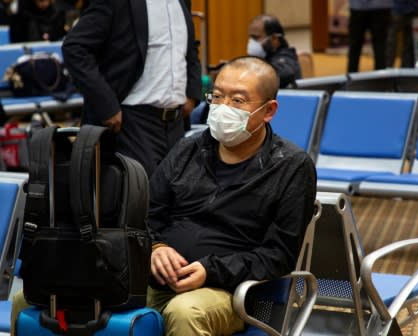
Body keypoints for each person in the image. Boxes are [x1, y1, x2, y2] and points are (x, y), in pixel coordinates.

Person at [146, 56, 317, 335]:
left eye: (237, 101)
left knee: (185, 312)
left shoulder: (291, 166)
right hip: (159, 277)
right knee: (92, 293)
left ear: (268, 110)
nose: (222, 107)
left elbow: (278, 255)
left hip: (234, 293)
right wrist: (155, 248)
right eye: (217, 96)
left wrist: (210, 270)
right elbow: (145, 214)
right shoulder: (188, 150)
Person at [62, 0, 202, 177]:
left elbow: (188, 48)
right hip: (132, 121)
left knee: (177, 197)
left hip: (176, 123)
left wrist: (192, 93)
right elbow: (75, 48)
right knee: (144, 198)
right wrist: (106, 104)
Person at [247, 14, 301, 88]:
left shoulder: (286, 57)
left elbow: (286, 73)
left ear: (274, 39)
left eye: (256, 37)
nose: (252, 42)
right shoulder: (266, 56)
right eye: (251, 37)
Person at [347, 0, 394, 72]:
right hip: (380, 6)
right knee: (380, 45)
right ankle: (381, 78)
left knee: (355, 46)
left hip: (361, 7)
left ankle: (352, 78)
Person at [387, 0, 418, 68]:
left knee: (410, 43)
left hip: (410, 8)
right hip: (407, 7)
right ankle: (389, 70)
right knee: (392, 43)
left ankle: (403, 70)